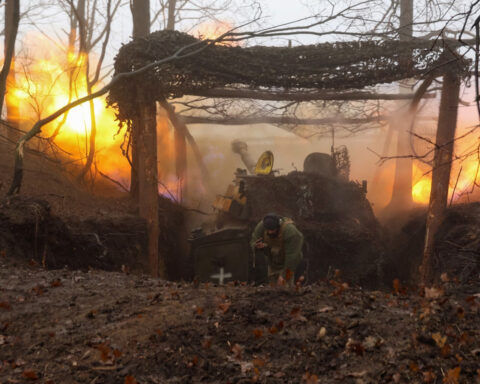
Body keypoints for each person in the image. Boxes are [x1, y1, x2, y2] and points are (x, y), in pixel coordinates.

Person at [250, 213, 304, 285]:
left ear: (278, 226)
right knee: (273, 289)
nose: (270, 232)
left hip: (290, 263)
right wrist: (256, 246)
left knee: (286, 288)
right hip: (273, 262)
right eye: (268, 230)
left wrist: (284, 276)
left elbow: (292, 257)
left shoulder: (291, 232)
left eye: (272, 230)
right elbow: (253, 240)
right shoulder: (262, 226)